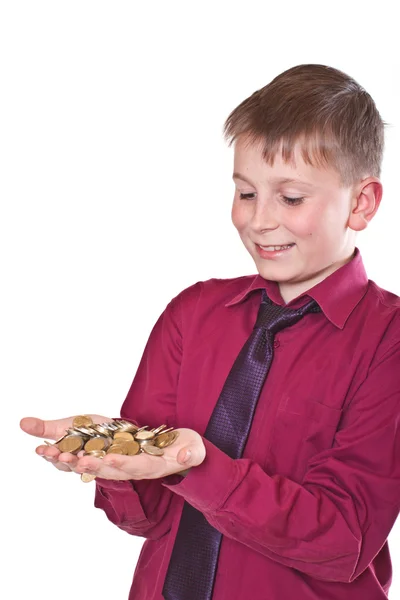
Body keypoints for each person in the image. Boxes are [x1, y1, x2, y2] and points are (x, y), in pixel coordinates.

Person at [20, 64, 400, 600]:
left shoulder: (389, 341)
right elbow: (149, 521)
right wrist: (115, 461)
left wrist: (202, 466)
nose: (259, 220)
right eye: (246, 193)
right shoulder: (194, 312)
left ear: (361, 203)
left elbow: (344, 539)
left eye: (290, 198)